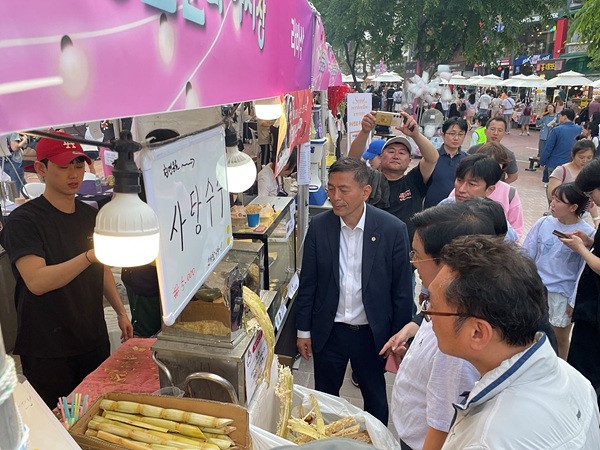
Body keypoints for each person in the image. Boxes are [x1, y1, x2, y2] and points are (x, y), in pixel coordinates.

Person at [0, 132, 133, 408]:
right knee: (61, 421)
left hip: (91, 337)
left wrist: (121, 312)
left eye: (78, 165)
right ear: (41, 169)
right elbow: (36, 281)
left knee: (95, 412)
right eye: (63, 167)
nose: (74, 174)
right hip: (48, 347)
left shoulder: (89, 215)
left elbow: (103, 268)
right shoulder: (24, 222)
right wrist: (88, 256)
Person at [430, 235, 600, 449]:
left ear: (477, 332)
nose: (429, 318)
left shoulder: (486, 440)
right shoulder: (576, 381)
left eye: (432, 306)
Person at [295, 157, 413, 425]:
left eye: (344, 189)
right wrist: (303, 330)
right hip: (330, 330)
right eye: (331, 188)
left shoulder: (392, 229)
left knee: (375, 398)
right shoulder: (320, 226)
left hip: (371, 335)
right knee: (325, 397)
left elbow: (402, 290)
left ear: (365, 191)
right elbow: (309, 282)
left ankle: (376, 441)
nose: (335, 197)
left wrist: (399, 337)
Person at [382, 199, 501, 450]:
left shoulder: (455, 341)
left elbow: (444, 426)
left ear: (449, 264)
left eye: (417, 255)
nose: (412, 262)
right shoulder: (445, 302)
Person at [523, 183, 595, 360]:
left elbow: (582, 272)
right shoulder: (543, 223)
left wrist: (573, 299)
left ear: (573, 207)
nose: (552, 204)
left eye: (559, 201)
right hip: (538, 288)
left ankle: (562, 371)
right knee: (532, 334)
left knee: (559, 338)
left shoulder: (586, 233)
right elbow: (527, 252)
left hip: (563, 293)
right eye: (553, 199)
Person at [349, 111, 438, 242]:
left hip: (404, 249)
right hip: (371, 245)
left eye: (402, 153)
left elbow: (432, 158)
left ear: (409, 160)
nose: (396, 156)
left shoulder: (414, 181)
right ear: (381, 157)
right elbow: (352, 161)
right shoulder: (369, 179)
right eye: (391, 151)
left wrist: (416, 135)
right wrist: (364, 132)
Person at [561, 158, 600, 402]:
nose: (592, 200)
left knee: (588, 369)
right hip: (590, 308)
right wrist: (589, 242)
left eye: (592, 193)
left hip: (595, 313)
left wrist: (581, 250)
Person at [474, 142, 524, 238]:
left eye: (497, 164)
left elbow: (517, 229)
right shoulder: (465, 186)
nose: (491, 168)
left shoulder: (510, 192)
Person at [546, 140, 599, 225]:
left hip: (582, 216)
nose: (585, 161)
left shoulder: (591, 174)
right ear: (573, 155)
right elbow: (551, 195)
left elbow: (592, 201)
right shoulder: (561, 171)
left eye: (589, 158)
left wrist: (596, 219)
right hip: (560, 214)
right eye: (581, 157)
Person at [423, 118, 468, 209]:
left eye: (460, 134)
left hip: (458, 211)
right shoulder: (432, 158)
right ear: (443, 135)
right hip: (432, 210)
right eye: (452, 134)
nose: (456, 138)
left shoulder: (468, 160)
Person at [467, 116, 518, 183]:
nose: (495, 133)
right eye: (492, 129)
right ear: (485, 131)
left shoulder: (508, 154)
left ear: (503, 133)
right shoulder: (474, 150)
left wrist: (499, 187)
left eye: (500, 130)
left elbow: (513, 176)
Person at [540, 108, 583, 186]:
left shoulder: (557, 130)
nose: (559, 118)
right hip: (571, 165)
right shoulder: (579, 129)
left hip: (554, 164)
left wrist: (542, 161)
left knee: (553, 190)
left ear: (565, 117)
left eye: (560, 116)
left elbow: (548, 148)